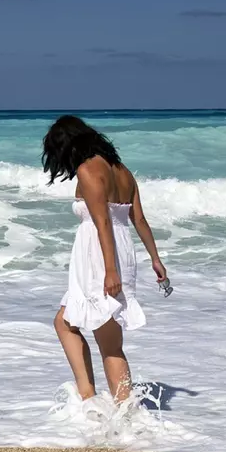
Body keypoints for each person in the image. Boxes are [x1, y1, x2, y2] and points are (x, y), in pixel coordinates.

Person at [42, 115, 167, 406]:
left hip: (101, 256)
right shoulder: (123, 172)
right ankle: (105, 405)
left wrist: (110, 271)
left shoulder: (88, 170)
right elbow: (139, 219)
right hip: (122, 250)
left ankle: (109, 408)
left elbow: (102, 224)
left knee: (101, 338)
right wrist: (155, 259)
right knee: (75, 325)